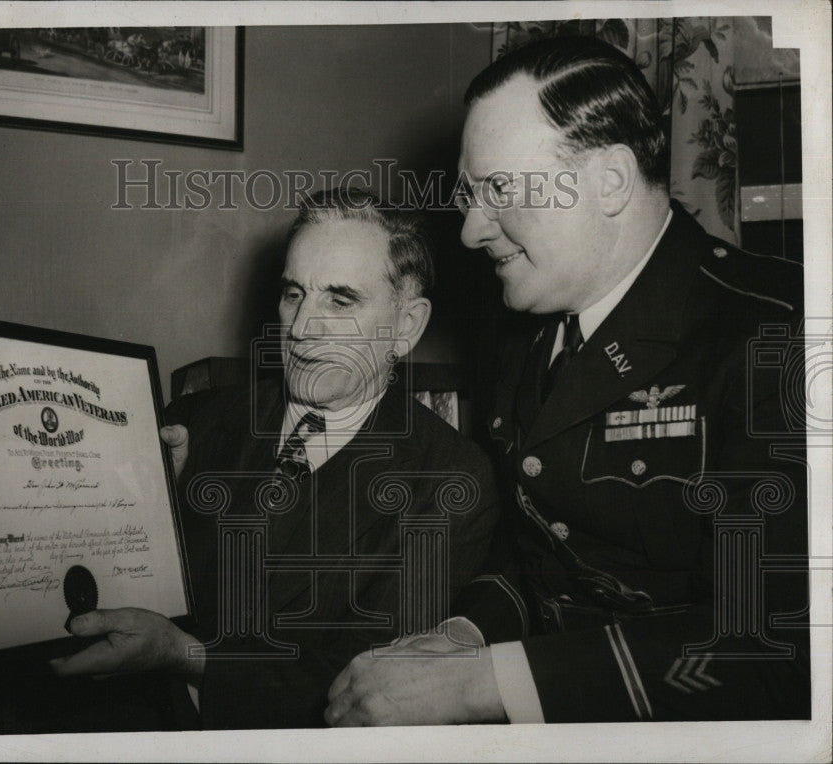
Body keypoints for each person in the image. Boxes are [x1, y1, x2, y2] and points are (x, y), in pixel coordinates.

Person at [325, 36, 809, 725]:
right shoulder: (527, 332)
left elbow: (786, 652)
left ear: (609, 180)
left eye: (497, 190)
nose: (468, 231)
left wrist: (480, 683)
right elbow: (539, 551)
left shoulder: (783, 331)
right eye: (470, 195)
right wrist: (465, 635)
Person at [50, 188, 500, 728]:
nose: (302, 326)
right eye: (293, 294)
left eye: (340, 300)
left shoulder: (449, 480)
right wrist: (134, 512)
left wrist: (186, 658)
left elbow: (359, 686)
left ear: (406, 326)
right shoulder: (192, 421)